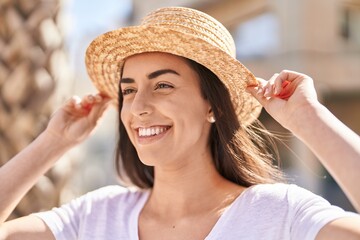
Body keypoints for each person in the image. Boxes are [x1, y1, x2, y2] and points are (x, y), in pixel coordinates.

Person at [1, 6, 360, 240]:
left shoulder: (281, 215)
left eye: (163, 85)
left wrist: (309, 119)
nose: (138, 106)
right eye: (128, 90)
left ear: (213, 106)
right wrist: (53, 143)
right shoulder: (94, 217)